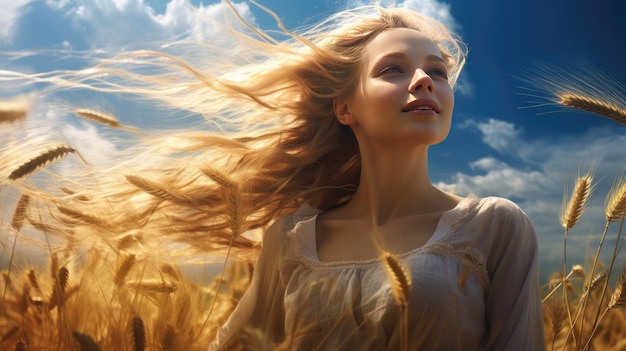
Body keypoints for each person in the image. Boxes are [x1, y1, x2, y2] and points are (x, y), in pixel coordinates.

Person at [0, 2, 544, 351]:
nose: (425, 80)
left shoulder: (495, 227)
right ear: (344, 107)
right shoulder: (292, 237)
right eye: (393, 69)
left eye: (438, 71)